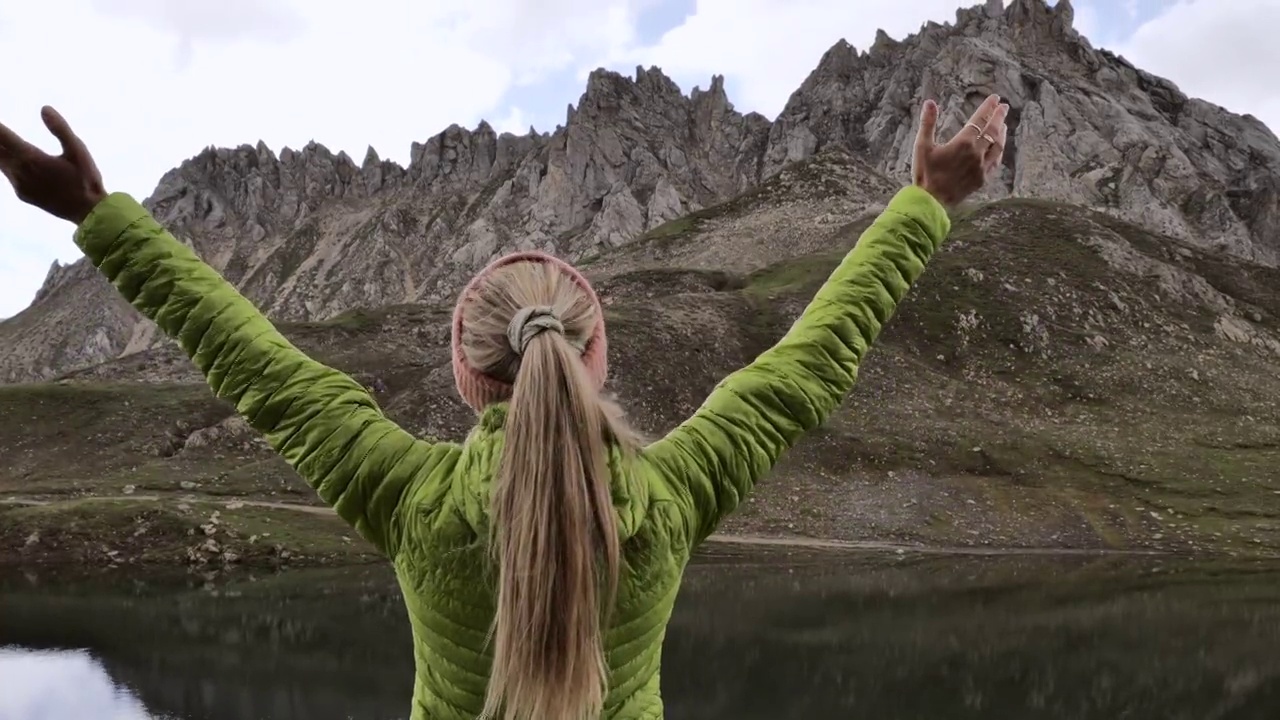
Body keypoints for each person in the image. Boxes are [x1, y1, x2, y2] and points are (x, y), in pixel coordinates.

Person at [0, 94, 1008, 719]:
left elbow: (250, 359)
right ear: (594, 358)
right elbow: (807, 364)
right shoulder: (671, 495)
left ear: (465, 373)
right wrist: (923, 203)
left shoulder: (408, 498)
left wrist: (99, 217)